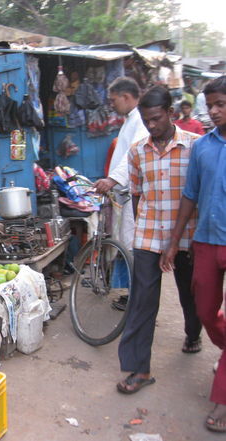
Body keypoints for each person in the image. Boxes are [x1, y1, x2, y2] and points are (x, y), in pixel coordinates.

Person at [116, 85, 202, 394]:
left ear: (171, 114)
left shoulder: (196, 147)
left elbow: (201, 195)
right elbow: (137, 194)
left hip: (187, 237)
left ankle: (193, 334)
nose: (151, 126)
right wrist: (142, 228)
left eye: (156, 119)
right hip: (150, 236)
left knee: (190, 297)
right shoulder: (138, 150)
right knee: (142, 302)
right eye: (146, 120)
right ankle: (139, 370)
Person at [160, 75, 226, 432]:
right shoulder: (203, 147)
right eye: (211, 105)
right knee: (203, 308)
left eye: (220, 104)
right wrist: (174, 242)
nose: (213, 112)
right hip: (206, 240)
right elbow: (190, 196)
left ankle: (222, 401)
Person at [94, 77, 148, 310]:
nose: (112, 105)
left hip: (134, 195)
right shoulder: (131, 120)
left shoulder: (141, 121)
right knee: (127, 245)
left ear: (126, 97)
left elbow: (134, 154)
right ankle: (132, 294)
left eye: (114, 100)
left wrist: (112, 179)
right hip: (126, 194)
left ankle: (139, 299)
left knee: (133, 247)